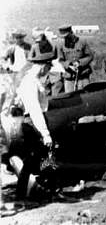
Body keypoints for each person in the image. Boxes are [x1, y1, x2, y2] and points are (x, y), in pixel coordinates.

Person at [14, 41, 55, 199]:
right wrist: (45, 134)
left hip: (31, 122)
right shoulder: (31, 82)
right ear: (44, 66)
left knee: (40, 158)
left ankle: (45, 189)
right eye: (48, 67)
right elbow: (35, 110)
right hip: (33, 123)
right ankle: (37, 192)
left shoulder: (31, 80)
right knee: (40, 158)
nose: (48, 70)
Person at [56, 25, 94, 92]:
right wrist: (68, 65)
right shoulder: (60, 44)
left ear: (71, 32)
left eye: (66, 36)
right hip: (69, 77)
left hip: (83, 76)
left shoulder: (82, 41)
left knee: (85, 95)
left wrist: (79, 63)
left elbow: (90, 56)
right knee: (71, 100)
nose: (65, 39)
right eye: (63, 37)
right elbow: (60, 60)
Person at [29, 28, 63, 95]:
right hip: (44, 75)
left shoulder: (54, 45)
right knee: (44, 94)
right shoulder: (35, 47)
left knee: (55, 95)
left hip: (53, 73)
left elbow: (59, 57)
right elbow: (30, 59)